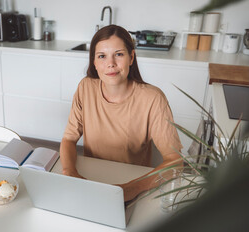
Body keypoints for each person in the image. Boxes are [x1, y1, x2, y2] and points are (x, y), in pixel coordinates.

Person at [60, 25, 183, 202]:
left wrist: (132, 188)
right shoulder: (85, 87)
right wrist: (69, 172)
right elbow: (69, 139)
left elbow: (175, 162)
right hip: (91, 180)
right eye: (102, 56)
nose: (110, 64)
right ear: (94, 62)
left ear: (131, 57)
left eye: (119, 54)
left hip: (133, 185)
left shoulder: (153, 98)